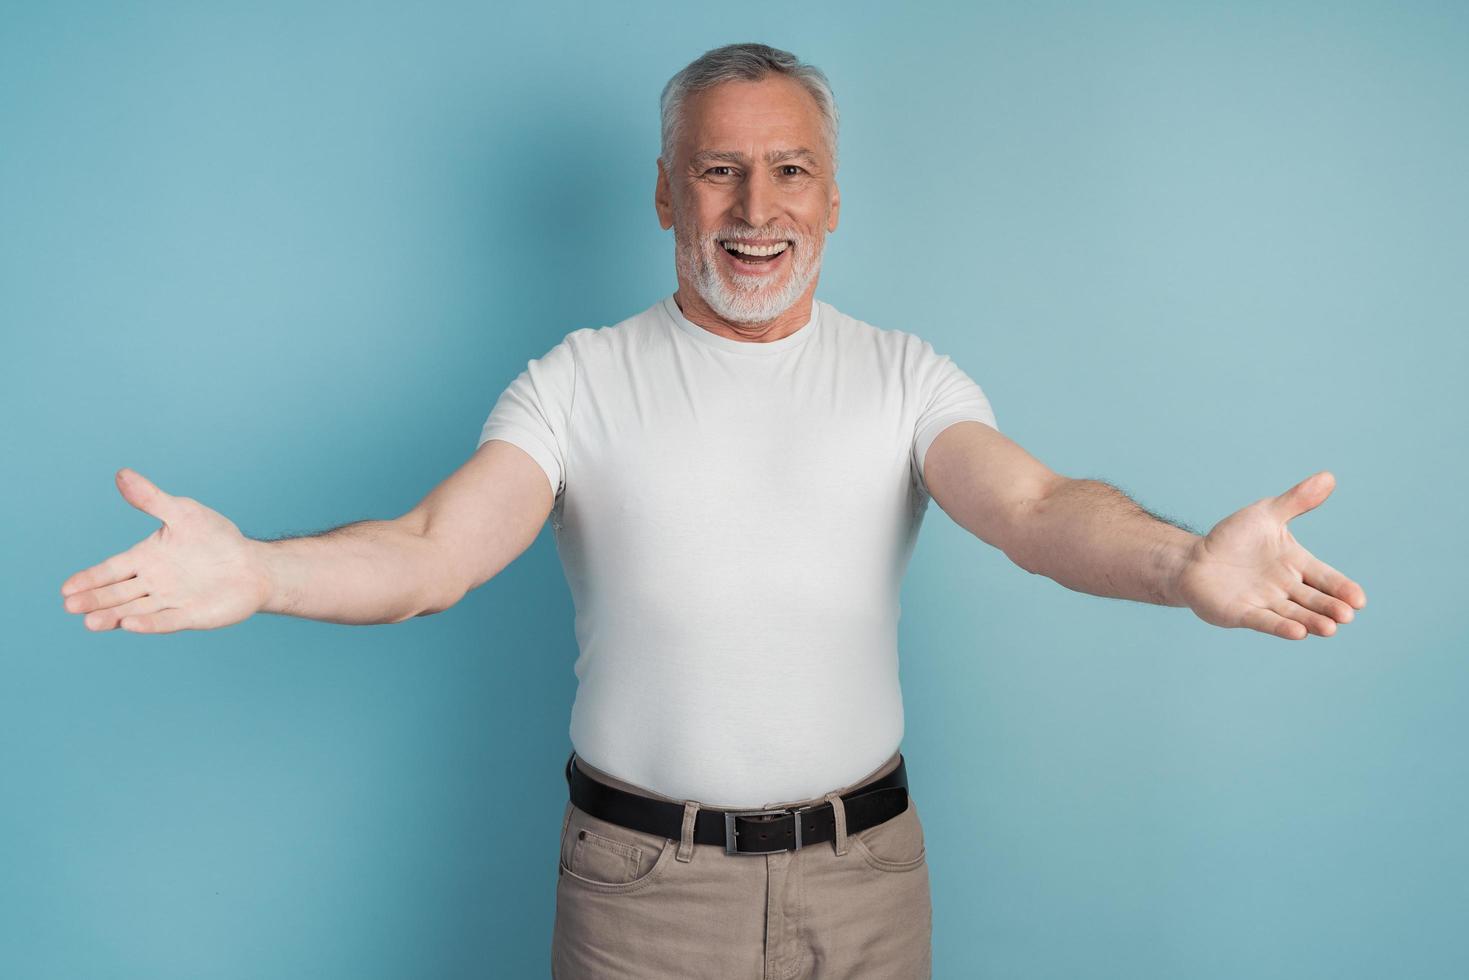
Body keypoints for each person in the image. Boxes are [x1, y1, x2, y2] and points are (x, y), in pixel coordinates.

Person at [59, 41, 1368, 980]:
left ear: (833, 198)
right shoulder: (574, 382)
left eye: (788, 172)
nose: (755, 211)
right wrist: (260, 573)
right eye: (718, 173)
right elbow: (430, 552)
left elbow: (1031, 505)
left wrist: (1178, 560)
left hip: (865, 880)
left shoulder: (904, 376)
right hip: (641, 894)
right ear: (665, 192)